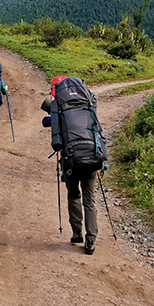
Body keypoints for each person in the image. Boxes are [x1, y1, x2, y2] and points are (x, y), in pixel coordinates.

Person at [42, 75, 104, 255]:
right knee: (90, 200)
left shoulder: (58, 107)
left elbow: (53, 133)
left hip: (71, 159)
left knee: (73, 194)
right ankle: (91, 240)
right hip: (92, 154)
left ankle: (77, 233)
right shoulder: (88, 103)